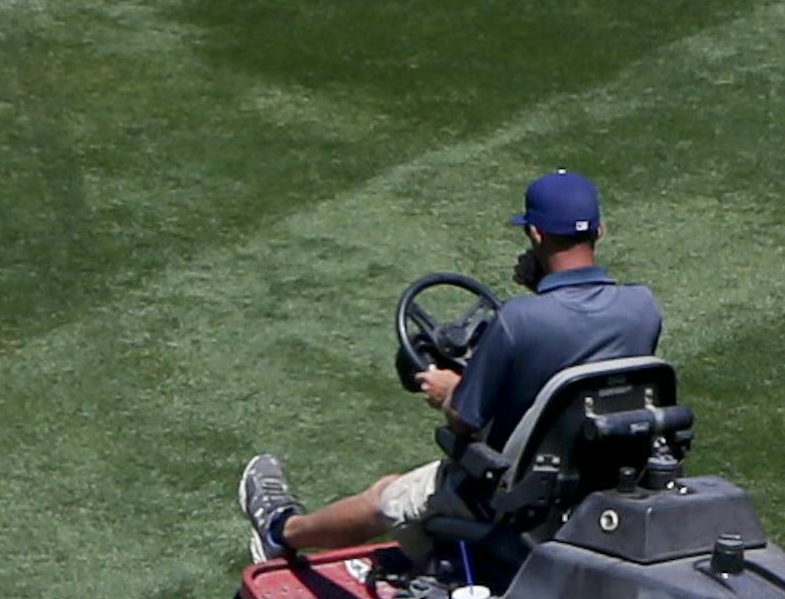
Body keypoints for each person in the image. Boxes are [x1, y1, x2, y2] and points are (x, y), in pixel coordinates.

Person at [238, 171, 664, 566]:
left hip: (517, 499)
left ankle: (280, 530)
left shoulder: (517, 321)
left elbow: (464, 419)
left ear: (535, 233)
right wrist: (541, 285)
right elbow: (579, 341)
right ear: (600, 230)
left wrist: (447, 390)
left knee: (390, 495)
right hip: (603, 485)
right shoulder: (642, 307)